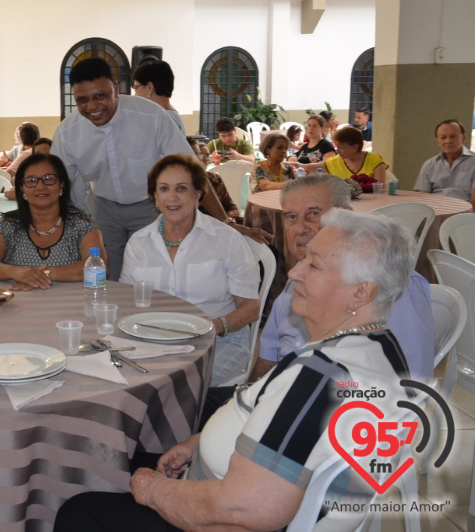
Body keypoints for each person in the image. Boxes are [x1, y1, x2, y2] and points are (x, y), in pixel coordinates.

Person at [55, 209, 415, 532]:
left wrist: (153, 491)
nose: (294, 271)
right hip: (230, 481)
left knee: (80, 509)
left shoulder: (319, 380)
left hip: (220, 515)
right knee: (123, 454)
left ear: (361, 293)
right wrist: (198, 443)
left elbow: (245, 509)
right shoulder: (379, 347)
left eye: (314, 265)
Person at [52, 57, 248, 281]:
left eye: (100, 96)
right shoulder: (68, 132)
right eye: (82, 100)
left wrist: (224, 221)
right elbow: (57, 183)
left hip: (150, 207)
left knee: (156, 275)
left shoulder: (150, 115)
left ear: (115, 89)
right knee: (108, 276)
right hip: (103, 210)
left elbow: (190, 168)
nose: (92, 106)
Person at [252, 173, 434, 380]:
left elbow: (407, 378)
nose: (300, 228)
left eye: (313, 213)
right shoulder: (299, 275)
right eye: (291, 217)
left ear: (345, 217)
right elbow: (268, 357)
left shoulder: (387, 282)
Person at [119, 154, 260, 383]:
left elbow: (250, 308)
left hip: (220, 340)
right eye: (164, 189)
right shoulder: (139, 242)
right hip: (154, 340)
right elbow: (126, 300)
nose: (172, 197)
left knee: (174, 384)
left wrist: (214, 327)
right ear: (155, 197)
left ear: (197, 195)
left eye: (181, 188)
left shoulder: (226, 239)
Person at [0, 153, 106, 291]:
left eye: (48, 179)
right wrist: (16, 272)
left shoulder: (83, 225)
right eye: (31, 180)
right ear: (22, 188)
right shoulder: (8, 225)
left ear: (62, 185)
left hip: (72, 306)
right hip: (16, 306)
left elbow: (100, 267)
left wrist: (44, 274)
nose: (40, 186)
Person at [414, 118, 475, 208]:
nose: (448, 141)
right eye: (443, 137)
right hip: (435, 211)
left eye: (453, 136)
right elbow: (423, 196)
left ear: (464, 138)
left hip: (464, 213)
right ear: (438, 142)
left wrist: (464, 217)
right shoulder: (429, 164)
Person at [305, 125, 386, 183]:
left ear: (354, 147)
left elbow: (380, 188)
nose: (338, 151)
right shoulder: (335, 162)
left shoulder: (374, 160)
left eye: (341, 147)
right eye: (337, 147)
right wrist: (294, 165)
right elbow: (309, 168)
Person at [187, 137, 239, 221]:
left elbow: (231, 206)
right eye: (195, 154)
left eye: (206, 155)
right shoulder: (185, 185)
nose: (202, 158)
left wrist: (228, 216)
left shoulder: (215, 178)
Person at [132, 59, 185, 134]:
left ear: (149, 88)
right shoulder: (168, 116)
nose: (135, 95)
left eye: (136, 88)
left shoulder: (164, 119)